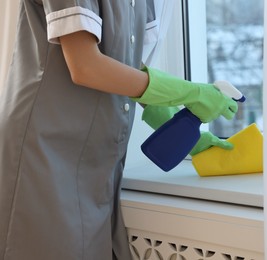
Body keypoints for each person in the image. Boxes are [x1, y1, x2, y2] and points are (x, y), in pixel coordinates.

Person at [0, 1, 238, 260]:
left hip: (98, 164)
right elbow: (86, 66)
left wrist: (181, 129)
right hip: (44, 156)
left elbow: (122, 66)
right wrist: (190, 92)